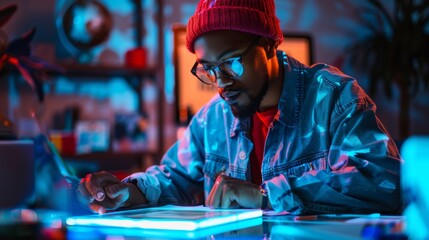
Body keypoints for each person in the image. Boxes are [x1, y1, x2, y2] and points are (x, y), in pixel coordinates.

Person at [77, 0, 403, 215]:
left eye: (232, 63)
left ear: (271, 45)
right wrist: (127, 191)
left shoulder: (334, 98)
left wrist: (266, 196)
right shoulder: (212, 119)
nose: (221, 82)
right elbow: (172, 178)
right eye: (208, 69)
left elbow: (384, 181)